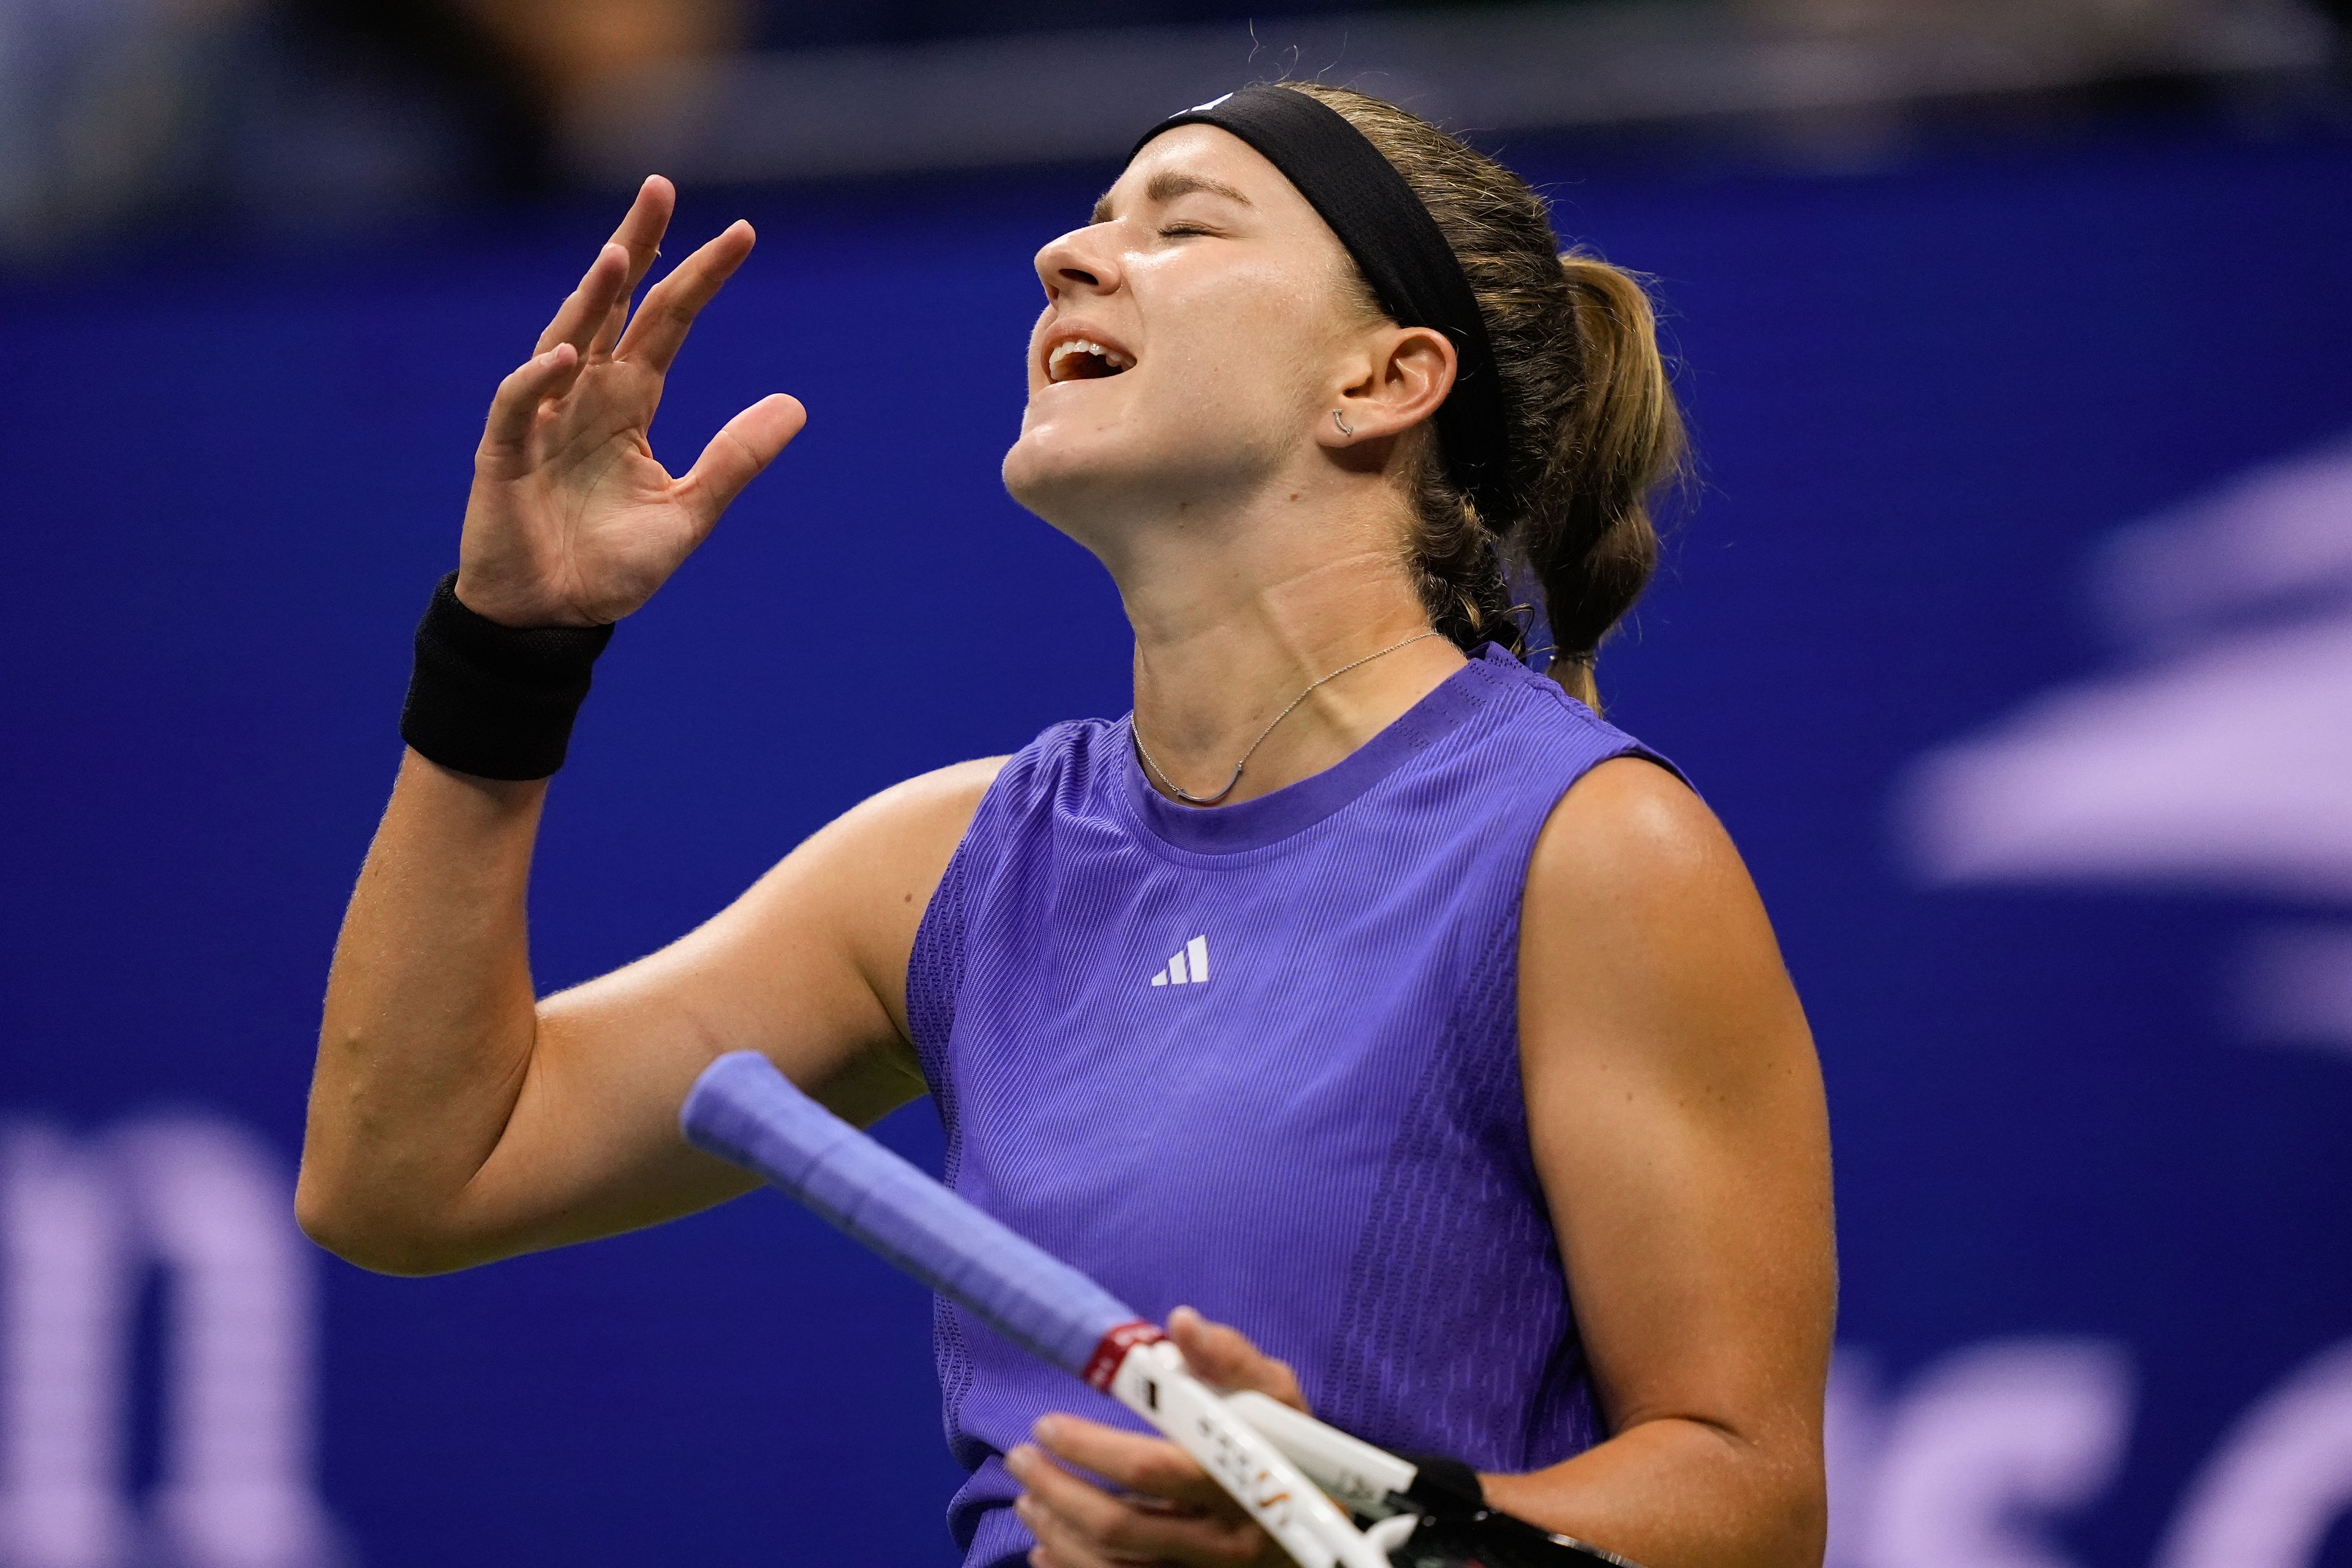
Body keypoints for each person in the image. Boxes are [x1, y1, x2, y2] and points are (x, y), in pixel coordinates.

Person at [298, 82, 1835, 1568]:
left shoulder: (1588, 847)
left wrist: (1342, 1525)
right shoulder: (955, 868)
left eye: (1185, 225)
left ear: (1383, 380)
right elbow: (414, 1173)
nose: (1070, 254)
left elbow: (1749, 1499)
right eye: (1097, 218)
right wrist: (507, 652)